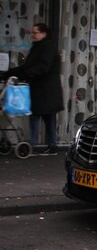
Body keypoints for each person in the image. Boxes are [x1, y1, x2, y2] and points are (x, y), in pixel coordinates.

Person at [4, 23, 63, 154]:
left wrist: (25, 75)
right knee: (40, 115)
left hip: (46, 90)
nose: (33, 35)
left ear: (43, 33)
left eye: (35, 33)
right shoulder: (37, 47)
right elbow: (28, 66)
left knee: (44, 117)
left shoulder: (48, 47)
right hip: (41, 89)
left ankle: (40, 144)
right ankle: (38, 143)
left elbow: (42, 67)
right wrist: (9, 73)